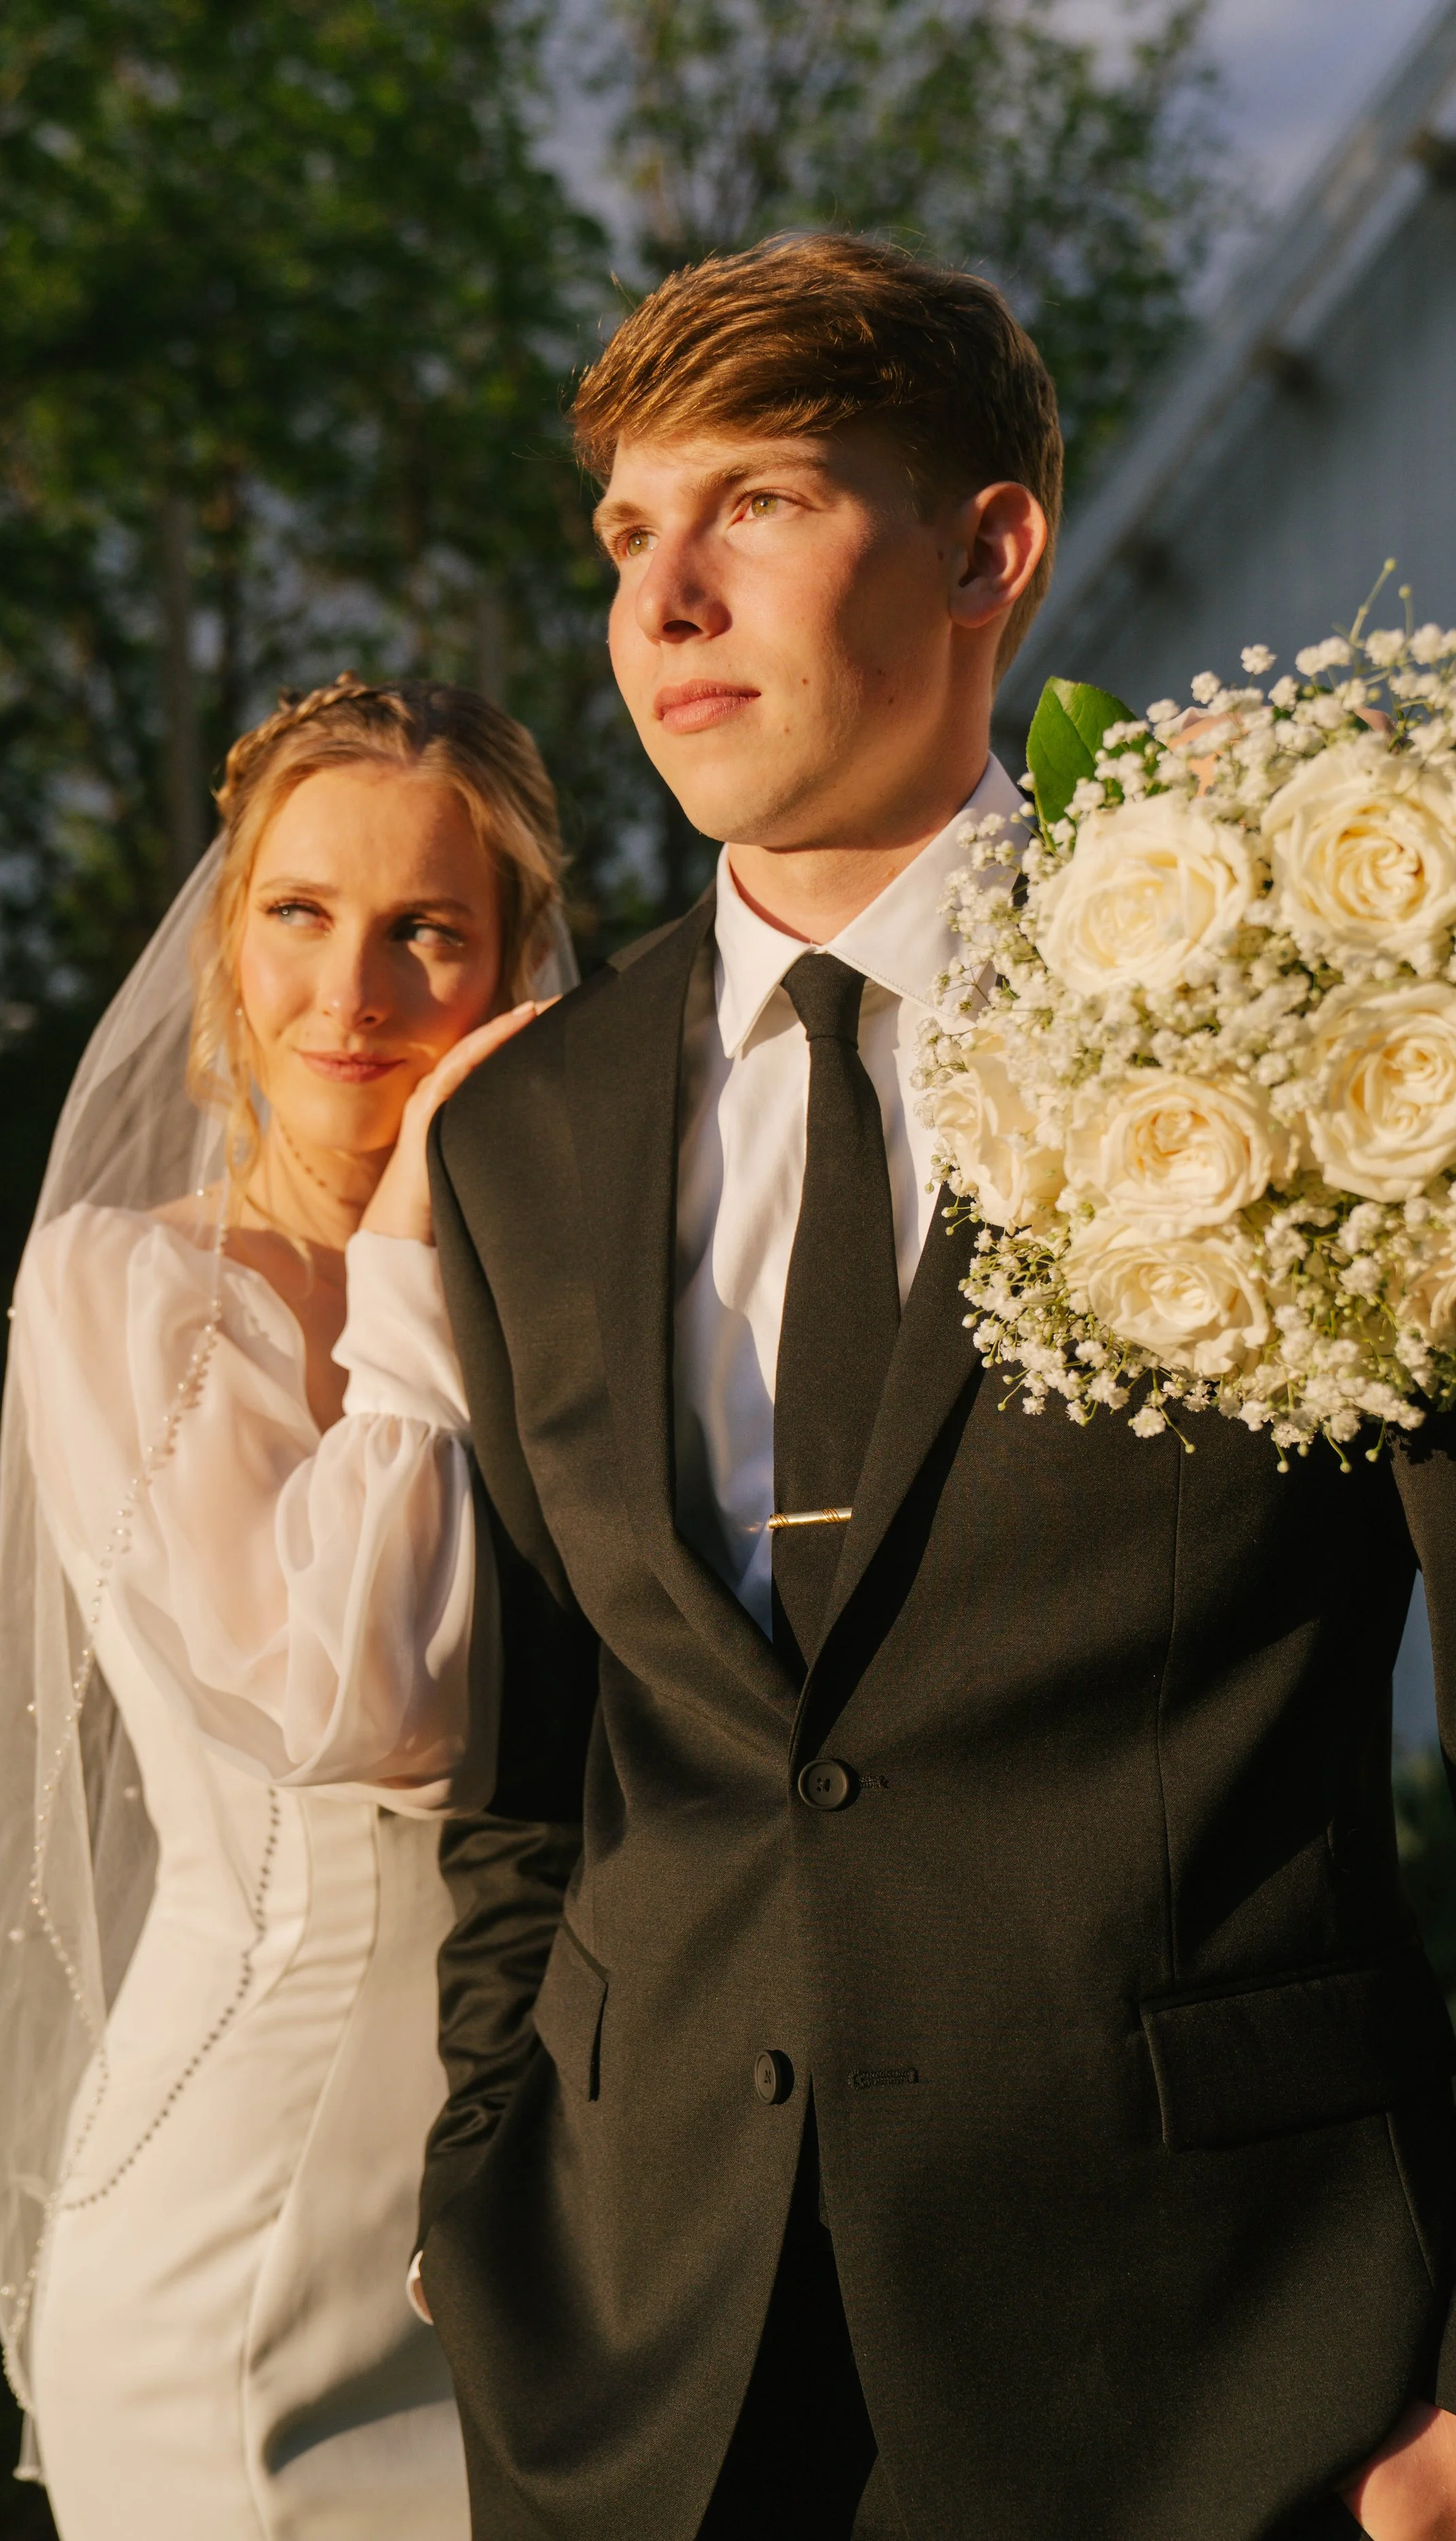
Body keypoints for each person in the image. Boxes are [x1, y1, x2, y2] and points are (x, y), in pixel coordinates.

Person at [411, 235, 1456, 2541]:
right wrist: (485, 2207)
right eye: (623, 533)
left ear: (989, 547)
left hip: (1232, 2383)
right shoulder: (514, 1133)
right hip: (640, 2390)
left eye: (758, 501)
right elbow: (531, 1777)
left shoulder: (1327, 998)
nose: (662, 596)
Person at [0, 675, 573, 2541]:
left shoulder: (580, 1288)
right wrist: (401, 1250)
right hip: (237, 2232)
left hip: (546, 2206)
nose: (354, 994)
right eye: (300, 914)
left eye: (426, 933)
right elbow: (359, 1706)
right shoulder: (125, 1289)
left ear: (511, 972)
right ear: (226, 939)